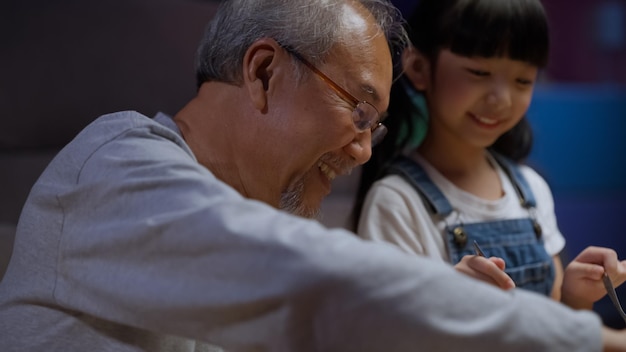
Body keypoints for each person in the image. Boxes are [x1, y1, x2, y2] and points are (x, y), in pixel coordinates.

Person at [1, 0, 626, 351]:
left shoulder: (251, 216)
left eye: (375, 126)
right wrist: (585, 339)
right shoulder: (112, 161)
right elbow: (311, 280)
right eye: (358, 110)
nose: (361, 151)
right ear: (265, 72)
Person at [353, 0, 626, 309]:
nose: (501, 99)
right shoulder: (396, 202)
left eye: (522, 80)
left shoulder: (531, 190)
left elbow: (556, 329)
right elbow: (388, 332)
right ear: (419, 68)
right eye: (479, 72)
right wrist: (448, 300)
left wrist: (576, 297)